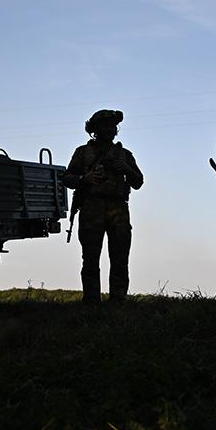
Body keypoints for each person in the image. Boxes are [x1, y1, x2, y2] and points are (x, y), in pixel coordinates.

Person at [63, 110, 144, 303]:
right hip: (91, 207)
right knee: (90, 258)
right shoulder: (83, 152)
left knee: (120, 257)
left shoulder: (124, 154)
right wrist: (85, 178)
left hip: (118, 209)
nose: (109, 129)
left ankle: (118, 300)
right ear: (95, 129)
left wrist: (127, 170)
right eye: (105, 125)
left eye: (112, 126)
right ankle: (91, 301)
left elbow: (139, 181)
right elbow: (66, 178)